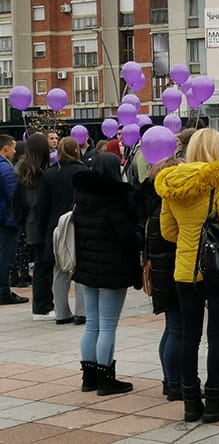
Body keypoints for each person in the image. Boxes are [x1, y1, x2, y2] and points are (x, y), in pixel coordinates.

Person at [156, 128, 219, 423]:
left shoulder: (171, 182)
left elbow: (168, 232)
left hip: (184, 271)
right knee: (216, 338)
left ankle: (191, 403)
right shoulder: (217, 181)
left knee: (188, 338)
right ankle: (215, 402)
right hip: (215, 269)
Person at [71, 154, 140, 395]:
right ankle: (106, 378)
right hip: (113, 269)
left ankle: (89, 378)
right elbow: (128, 238)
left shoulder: (81, 196)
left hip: (87, 267)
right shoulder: (117, 198)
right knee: (108, 325)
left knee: (92, 324)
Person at [134, 157, 182, 401]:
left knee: (171, 328)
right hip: (170, 270)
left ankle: (170, 379)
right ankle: (174, 383)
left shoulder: (150, 205)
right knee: (177, 329)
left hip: (160, 270)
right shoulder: (165, 209)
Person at [38, 137, 88, 323]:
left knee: (59, 269)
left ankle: (61, 312)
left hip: (56, 225)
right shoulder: (82, 171)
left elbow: (42, 206)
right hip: (79, 223)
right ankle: (82, 312)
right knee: (80, 269)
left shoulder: (49, 174)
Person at [16, 134, 51, 316]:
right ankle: (42, 305)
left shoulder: (22, 170)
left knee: (40, 264)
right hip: (39, 223)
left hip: (30, 222)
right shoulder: (39, 173)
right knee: (43, 265)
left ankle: (41, 304)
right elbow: (38, 202)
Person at [0, 134, 26, 306]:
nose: (15, 150)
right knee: (5, 257)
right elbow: (14, 196)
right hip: (6, 220)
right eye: (13, 147)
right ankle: (3, 291)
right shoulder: (6, 169)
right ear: (6, 148)